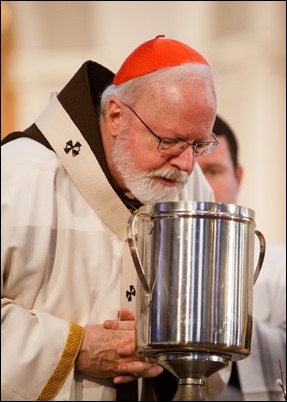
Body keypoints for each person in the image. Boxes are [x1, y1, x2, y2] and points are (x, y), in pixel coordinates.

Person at [1, 35, 223, 401]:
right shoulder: (17, 176)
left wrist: (173, 351)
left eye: (200, 145)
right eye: (171, 141)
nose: (186, 165)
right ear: (117, 116)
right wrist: (73, 348)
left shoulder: (191, 187)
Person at [196, 115, 286, 401]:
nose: (202, 187)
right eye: (192, 174)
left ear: (238, 176)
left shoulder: (280, 268)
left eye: (213, 171)